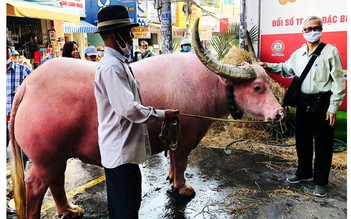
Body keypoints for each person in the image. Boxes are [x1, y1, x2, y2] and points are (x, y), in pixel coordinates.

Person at [94, 5, 179, 218]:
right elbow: (128, 109)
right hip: (121, 154)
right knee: (126, 210)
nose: (131, 37)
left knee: (125, 207)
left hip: (124, 154)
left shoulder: (118, 64)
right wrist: (162, 115)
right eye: (127, 32)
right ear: (116, 35)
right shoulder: (112, 67)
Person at [258, 15, 345, 197]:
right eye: (308, 29)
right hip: (303, 102)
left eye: (316, 28)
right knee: (302, 140)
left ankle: (320, 182)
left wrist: (333, 107)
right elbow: (285, 68)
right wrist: (266, 65)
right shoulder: (298, 54)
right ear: (302, 32)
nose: (312, 32)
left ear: (321, 29)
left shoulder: (330, 52)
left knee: (323, 144)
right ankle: (304, 172)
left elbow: (338, 82)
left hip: (323, 103)